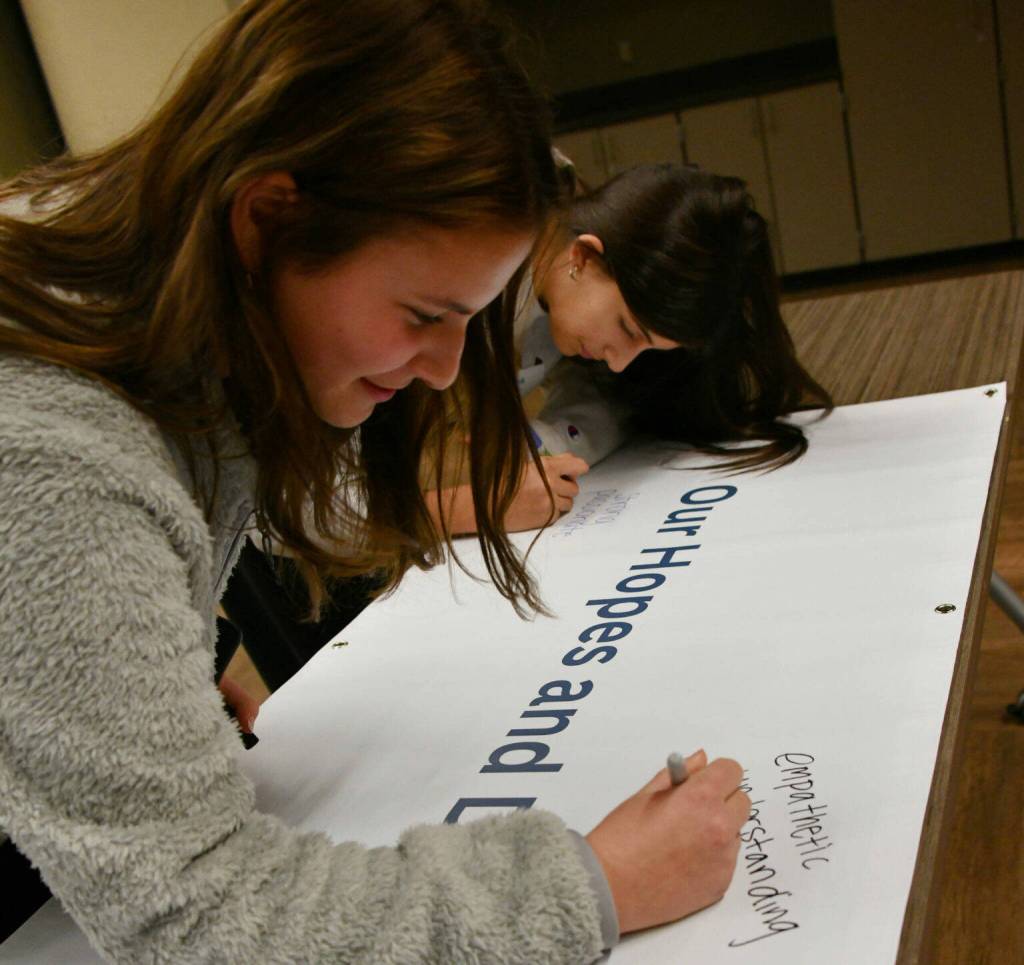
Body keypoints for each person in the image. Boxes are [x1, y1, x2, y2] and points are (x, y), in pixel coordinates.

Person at [0, 1, 750, 961]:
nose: (443, 369)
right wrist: (593, 882)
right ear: (268, 220)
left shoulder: (177, 316)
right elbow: (200, 919)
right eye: (423, 313)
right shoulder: (51, 446)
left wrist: (139, 656)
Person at [429, 161, 833, 535]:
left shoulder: (569, 242)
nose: (620, 362)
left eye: (646, 348)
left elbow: (603, 400)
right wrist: (468, 509)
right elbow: (366, 506)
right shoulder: (453, 272)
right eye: (627, 328)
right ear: (584, 256)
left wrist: (541, 443)